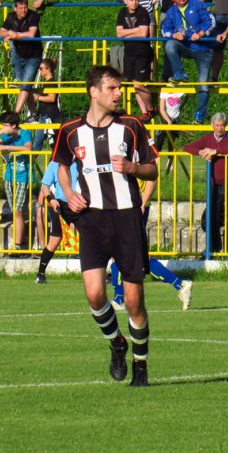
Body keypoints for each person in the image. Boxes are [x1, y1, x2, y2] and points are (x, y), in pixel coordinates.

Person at [54, 65, 159, 388]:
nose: (118, 94)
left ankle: (140, 365)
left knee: (134, 302)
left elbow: (153, 170)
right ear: (94, 92)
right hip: (92, 219)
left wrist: (132, 168)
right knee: (95, 294)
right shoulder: (70, 130)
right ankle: (117, 343)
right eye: (112, 88)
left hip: (126, 218)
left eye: (119, 88)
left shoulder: (131, 125)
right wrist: (69, 192)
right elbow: (61, 166)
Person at [183, 112, 228, 253]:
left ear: (225, 126)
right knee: (213, 216)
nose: (220, 128)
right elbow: (187, 147)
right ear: (212, 125)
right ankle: (213, 249)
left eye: (222, 125)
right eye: (217, 125)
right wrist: (201, 152)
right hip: (215, 183)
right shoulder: (207, 138)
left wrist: (216, 151)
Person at [161, 0, 215, 123]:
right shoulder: (171, 11)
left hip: (204, 49)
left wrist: (201, 33)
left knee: (203, 83)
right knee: (170, 44)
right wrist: (174, 35)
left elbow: (211, 21)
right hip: (186, 47)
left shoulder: (198, 5)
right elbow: (164, 30)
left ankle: (201, 113)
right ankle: (180, 73)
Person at [0, 110, 33, 251]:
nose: (2, 128)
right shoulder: (4, 135)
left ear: (14, 125)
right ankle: (19, 242)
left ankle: (18, 244)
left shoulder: (25, 134)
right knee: (14, 210)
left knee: (17, 210)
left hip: (23, 177)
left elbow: (28, 149)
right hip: (9, 176)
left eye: (5, 125)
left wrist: (7, 147)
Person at [33, 158, 78, 283]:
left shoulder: (82, 160)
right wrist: (51, 199)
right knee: (54, 240)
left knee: (95, 238)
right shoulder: (54, 163)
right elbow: (45, 186)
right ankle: (40, 274)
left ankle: (109, 274)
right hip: (60, 205)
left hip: (80, 204)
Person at [0, 0, 41, 118]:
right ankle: (34, 114)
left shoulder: (33, 16)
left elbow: (31, 34)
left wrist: (15, 35)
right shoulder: (11, 17)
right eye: (20, 8)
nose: (23, 10)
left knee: (25, 84)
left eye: (25, 7)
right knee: (24, 86)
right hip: (18, 54)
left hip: (33, 55)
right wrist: (9, 33)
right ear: (15, 8)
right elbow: (0, 33)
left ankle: (15, 114)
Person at [116, 0, 155, 120]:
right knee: (134, 84)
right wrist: (136, 30)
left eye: (137, 0)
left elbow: (143, 33)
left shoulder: (143, 12)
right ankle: (144, 112)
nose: (134, 2)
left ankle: (151, 109)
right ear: (126, 1)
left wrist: (127, 32)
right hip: (129, 53)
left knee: (139, 84)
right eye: (131, 0)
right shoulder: (122, 12)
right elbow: (119, 33)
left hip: (142, 53)